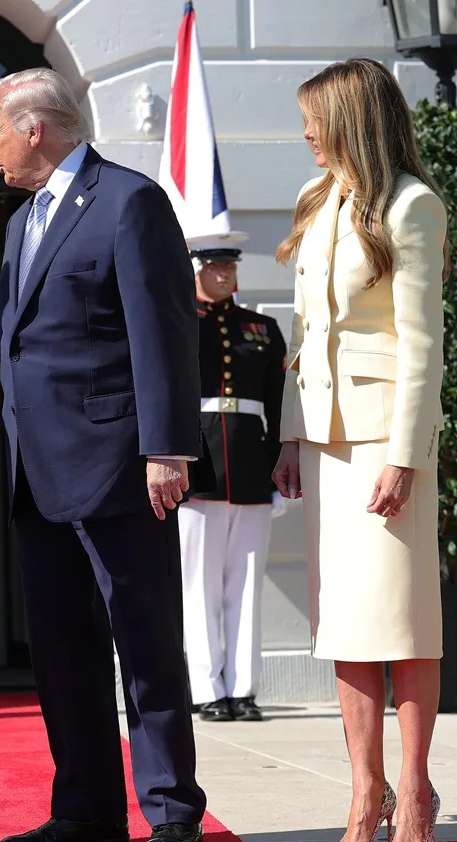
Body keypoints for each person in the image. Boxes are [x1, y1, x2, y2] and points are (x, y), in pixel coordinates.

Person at [0, 68, 207, 842]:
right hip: (38, 472)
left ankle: (171, 809)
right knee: (63, 653)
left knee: (145, 642)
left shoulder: (128, 202)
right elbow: (11, 327)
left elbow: (161, 330)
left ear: (34, 127)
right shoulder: (25, 217)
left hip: (121, 466)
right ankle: (88, 809)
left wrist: (167, 446)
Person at [271, 58, 446, 842]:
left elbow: (422, 346)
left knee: (402, 623)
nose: (305, 132)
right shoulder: (319, 201)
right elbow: (306, 337)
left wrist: (405, 455)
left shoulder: (410, 205)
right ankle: (364, 787)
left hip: (385, 440)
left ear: (352, 117)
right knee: (345, 622)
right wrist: (288, 436)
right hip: (326, 439)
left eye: (316, 117)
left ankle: (413, 786)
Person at [180, 234, 287, 723]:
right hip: (199, 466)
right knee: (199, 584)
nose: (224, 275)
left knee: (246, 584)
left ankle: (243, 689)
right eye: (214, 267)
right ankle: (207, 689)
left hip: (249, 467)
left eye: (229, 268)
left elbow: (277, 402)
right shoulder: (178, 325)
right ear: (196, 270)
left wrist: (278, 465)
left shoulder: (260, 328)